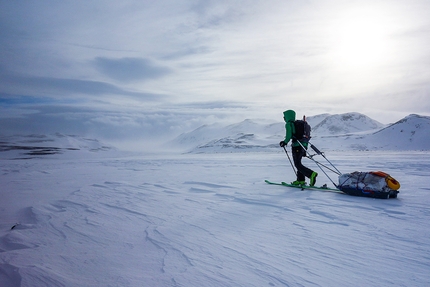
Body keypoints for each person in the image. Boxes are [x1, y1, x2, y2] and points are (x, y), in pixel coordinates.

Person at [279, 110, 318, 186]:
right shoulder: (298, 124)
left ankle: (311, 174)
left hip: (297, 145)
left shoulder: (289, 124)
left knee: (297, 164)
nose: (284, 118)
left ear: (287, 117)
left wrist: (284, 142)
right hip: (304, 145)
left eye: (284, 117)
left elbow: (289, 135)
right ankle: (301, 180)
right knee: (298, 163)